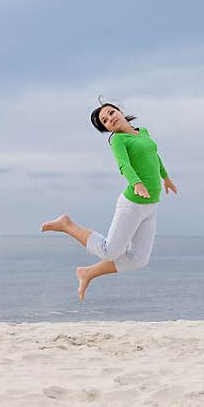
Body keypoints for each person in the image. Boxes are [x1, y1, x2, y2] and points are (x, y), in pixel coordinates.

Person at [41, 101, 177, 301]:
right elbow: (124, 165)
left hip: (150, 206)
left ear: (120, 111)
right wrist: (136, 182)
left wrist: (166, 178)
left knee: (139, 259)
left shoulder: (143, 132)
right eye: (105, 121)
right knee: (110, 251)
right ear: (106, 128)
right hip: (132, 204)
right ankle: (66, 225)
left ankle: (88, 273)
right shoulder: (118, 141)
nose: (110, 119)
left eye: (111, 113)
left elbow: (154, 156)